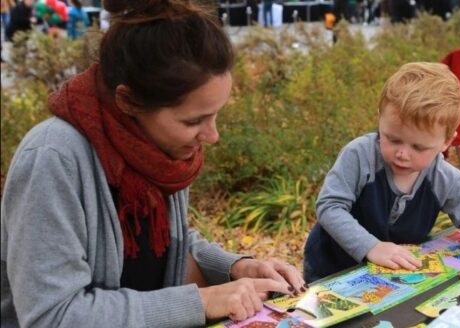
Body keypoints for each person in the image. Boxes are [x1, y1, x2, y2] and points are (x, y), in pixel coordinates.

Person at [0, 0, 306, 327]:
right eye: (193, 121)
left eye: (216, 115)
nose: (212, 135)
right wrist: (202, 301)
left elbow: (169, 245)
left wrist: (237, 269)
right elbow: (52, 316)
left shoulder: (157, 152)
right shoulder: (53, 159)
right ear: (128, 102)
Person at [303, 63, 460, 292]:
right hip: (331, 268)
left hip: (390, 278)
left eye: (419, 147)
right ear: (380, 118)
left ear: (446, 142)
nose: (403, 154)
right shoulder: (360, 155)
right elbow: (330, 207)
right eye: (393, 139)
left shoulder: (443, 178)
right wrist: (372, 247)